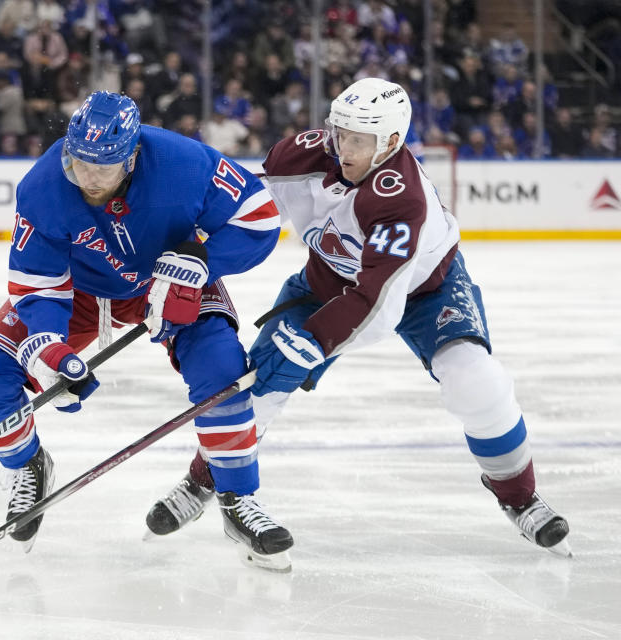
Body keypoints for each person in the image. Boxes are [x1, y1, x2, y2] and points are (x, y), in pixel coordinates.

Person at [149, 78, 571, 557]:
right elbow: (248, 212)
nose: (341, 146)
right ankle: (207, 481)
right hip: (328, 282)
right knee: (257, 386)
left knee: (477, 381)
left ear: (390, 143)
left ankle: (520, 497)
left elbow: (379, 302)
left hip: (426, 289)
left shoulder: (401, 198)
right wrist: (195, 252)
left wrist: (315, 340)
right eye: (338, 132)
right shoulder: (302, 156)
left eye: (357, 140)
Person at [0, 91, 294, 571]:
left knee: (222, 370)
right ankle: (27, 464)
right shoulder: (43, 187)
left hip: (174, 276)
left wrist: (201, 261)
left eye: (103, 168)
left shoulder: (183, 162)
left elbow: (259, 219)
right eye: (79, 164)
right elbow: (37, 283)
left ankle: (237, 499)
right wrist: (47, 345)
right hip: (79, 292)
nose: (87, 179)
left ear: (132, 156)